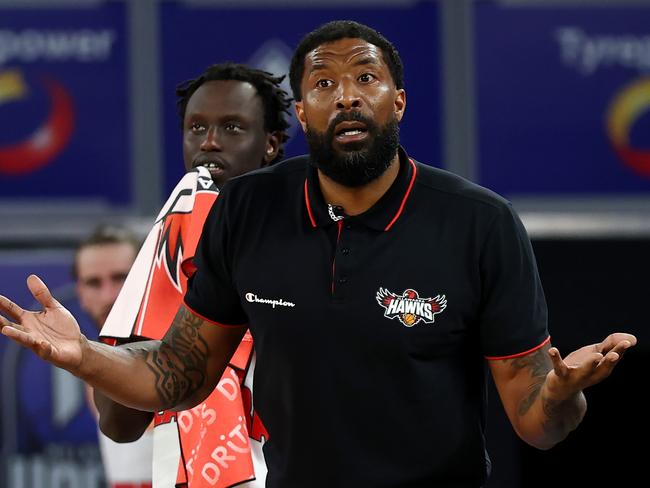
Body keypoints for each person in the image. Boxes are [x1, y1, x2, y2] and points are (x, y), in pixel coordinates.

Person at [0, 20, 637, 488]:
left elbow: (536, 423)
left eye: (366, 78)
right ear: (302, 113)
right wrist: (86, 354)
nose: (347, 96)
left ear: (399, 101)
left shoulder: (480, 224)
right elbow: (178, 377)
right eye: (324, 83)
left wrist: (560, 394)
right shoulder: (246, 211)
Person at [94, 63, 291, 488]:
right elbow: (119, 422)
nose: (210, 142)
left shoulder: (318, 238)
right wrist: (163, 278)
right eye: (196, 128)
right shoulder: (171, 239)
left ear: (270, 143)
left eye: (233, 127)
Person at [74, 225, 154, 488]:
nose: (109, 295)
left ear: (148, 278)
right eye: (94, 283)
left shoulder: (195, 353)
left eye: (121, 278)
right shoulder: (93, 367)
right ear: (81, 295)